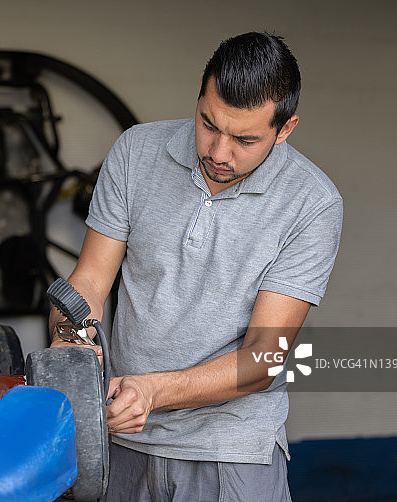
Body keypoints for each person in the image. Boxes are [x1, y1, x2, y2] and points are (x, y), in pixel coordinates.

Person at [49, 32, 343, 501]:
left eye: (245, 139)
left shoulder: (312, 203)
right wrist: (77, 353)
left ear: (285, 129)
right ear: (200, 97)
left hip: (232, 451)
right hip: (120, 440)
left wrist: (152, 392)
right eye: (208, 124)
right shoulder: (136, 152)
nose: (218, 153)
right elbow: (88, 280)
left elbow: (264, 359)